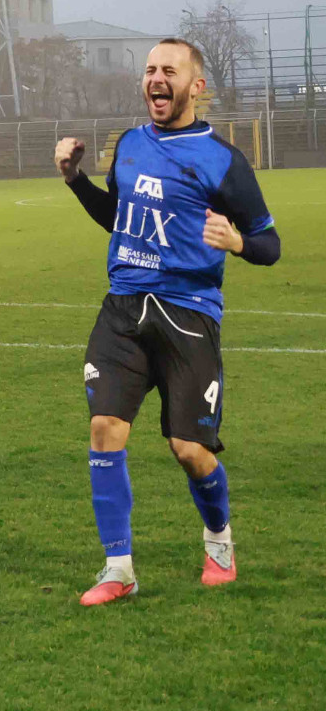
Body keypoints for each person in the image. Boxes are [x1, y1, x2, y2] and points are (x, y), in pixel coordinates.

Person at [54, 38, 279, 606]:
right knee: (105, 430)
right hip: (123, 309)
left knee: (189, 450)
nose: (156, 78)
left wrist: (238, 242)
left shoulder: (224, 160)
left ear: (195, 87)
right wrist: (76, 179)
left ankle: (219, 540)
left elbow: (270, 244)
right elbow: (119, 217)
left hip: (188, 315)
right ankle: (119, 569)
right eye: (150, 69)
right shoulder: (127, 145)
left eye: (169, 71)